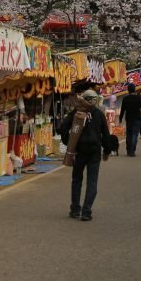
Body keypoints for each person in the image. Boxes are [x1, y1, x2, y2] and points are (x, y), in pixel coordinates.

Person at [59, 89, 111, 221]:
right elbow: (106, 134)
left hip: (79, 151)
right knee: (92, 182)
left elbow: (63, 128)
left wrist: (69, 143)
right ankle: (86, 211)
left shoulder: (76, 112)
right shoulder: (99, 114)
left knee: (77, 180)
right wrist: (107, 151)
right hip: (94, 152)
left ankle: (75, 209)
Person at [118, 83, 141, 156]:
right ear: (134, 90)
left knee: (128, 135)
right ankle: (132, 151)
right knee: (135, 135)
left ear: (128, 90)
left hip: (129, 119)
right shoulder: (138, 98)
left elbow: (122, 110)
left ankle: (128, 150)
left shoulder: (125, 98)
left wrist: (120, 119)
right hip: (137, 119)